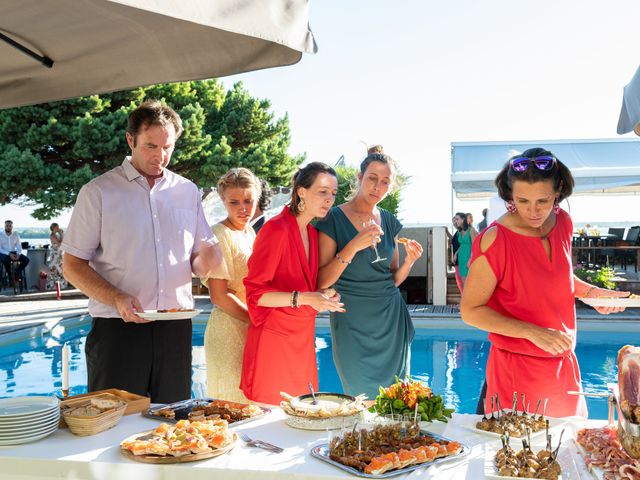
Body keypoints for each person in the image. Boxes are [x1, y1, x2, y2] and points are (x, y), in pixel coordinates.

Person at [62, 100, 222, 403]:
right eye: (151, 146)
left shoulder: (187, 191)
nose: (160, 156)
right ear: (130, 140)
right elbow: (72, 265)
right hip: (117, 329)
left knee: (173, 422)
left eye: (168, 147)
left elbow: (198, 262)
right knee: (113, 424)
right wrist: (116, 297)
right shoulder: (98, 192)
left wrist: (208, 262)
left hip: (175, 328)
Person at [460, 147, 628, 418]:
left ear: (558, 191)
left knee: (571, 454)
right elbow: (470, 311)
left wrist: (594, 294)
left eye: (543, 200)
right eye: (522, 200)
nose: (533, 211)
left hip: (563, 368)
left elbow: (558, 275)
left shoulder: (563, 222)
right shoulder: (494, 239)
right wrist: (533, 332)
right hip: (516, 372)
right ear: (509, 194)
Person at [316, 146, 422, 398]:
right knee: (358, 398)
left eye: (385, 182)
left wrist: (409, 263)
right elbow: (322, 280)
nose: (378, 187)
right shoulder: (333, 218)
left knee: (395, 400)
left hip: (391, 320)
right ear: (359, 177)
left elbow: (393, 278)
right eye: (372, 178)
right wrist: (354, 245)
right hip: (352, 321)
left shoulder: (388, 220)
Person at [241, 162, 344, 404]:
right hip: (274, 344)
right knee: (270, 425)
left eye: (333, 193)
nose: (329, 199)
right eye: (322, 192)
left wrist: (324, 295)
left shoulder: (311, 233)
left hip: (302, 341)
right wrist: (306, 298)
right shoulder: (275, 230)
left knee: (303, 418)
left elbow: (304, 285)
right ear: (301, 192)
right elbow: (256, 294)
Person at [202, 168, 260, 402]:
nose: (243, 208)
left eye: (249, 201)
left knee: (253, 406)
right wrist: (257, 322)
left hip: (250, 328)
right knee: (232, 406)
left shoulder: (250, 232)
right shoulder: (218, 234)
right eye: (234, 202)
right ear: (223, 201)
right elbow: (219, 295)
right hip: (228, 331)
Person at [0, 220, 29, 286]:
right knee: (6, 260)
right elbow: (0, 249)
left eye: (10, 226)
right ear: (4, 226)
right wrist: (9, 254)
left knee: (26, 260)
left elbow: (19, 246)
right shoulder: (0, 235)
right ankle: (10, 277)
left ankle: (16, 274)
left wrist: (18, 254)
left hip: (14, 252)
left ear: (12, 226)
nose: (8, 227)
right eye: (7, 226)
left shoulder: (16, 234)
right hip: (3, 253)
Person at [453, 211, 475, 291]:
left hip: (468, 257)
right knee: (463, 282)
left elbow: (475, 245)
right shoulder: (459, 231)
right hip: (461, 258)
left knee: (469, 283)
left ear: (463, 220)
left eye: (457, 219)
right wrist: (456, 254)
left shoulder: (471, 230)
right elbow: (462, 244)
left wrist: (470, 259)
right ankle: (466, 301)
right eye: (455, 219)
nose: (456, 221)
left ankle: (470, 302)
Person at [46, 222, 67, 290]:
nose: (58, 228)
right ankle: (54, 286)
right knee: (56, 269)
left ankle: (61, 285)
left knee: (59, 269)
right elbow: (60, 244)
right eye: (57, 227)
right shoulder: (53, 235)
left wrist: (61, 234)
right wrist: (61, 234)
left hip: (58, 254)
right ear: (54, 228)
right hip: (55, 255)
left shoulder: (56, 235)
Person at [450, 215, 463, 293]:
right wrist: (447, 232)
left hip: (462, 258)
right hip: (457, 260)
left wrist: (456, 254)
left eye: (456, 220)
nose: (454, 223)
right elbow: (452, 240)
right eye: (453, 221)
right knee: (459, 280)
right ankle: (464, 299)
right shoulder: (457, 232)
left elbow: (464, 243)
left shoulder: (462, 231)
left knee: (461, 280)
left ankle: (465, 300)